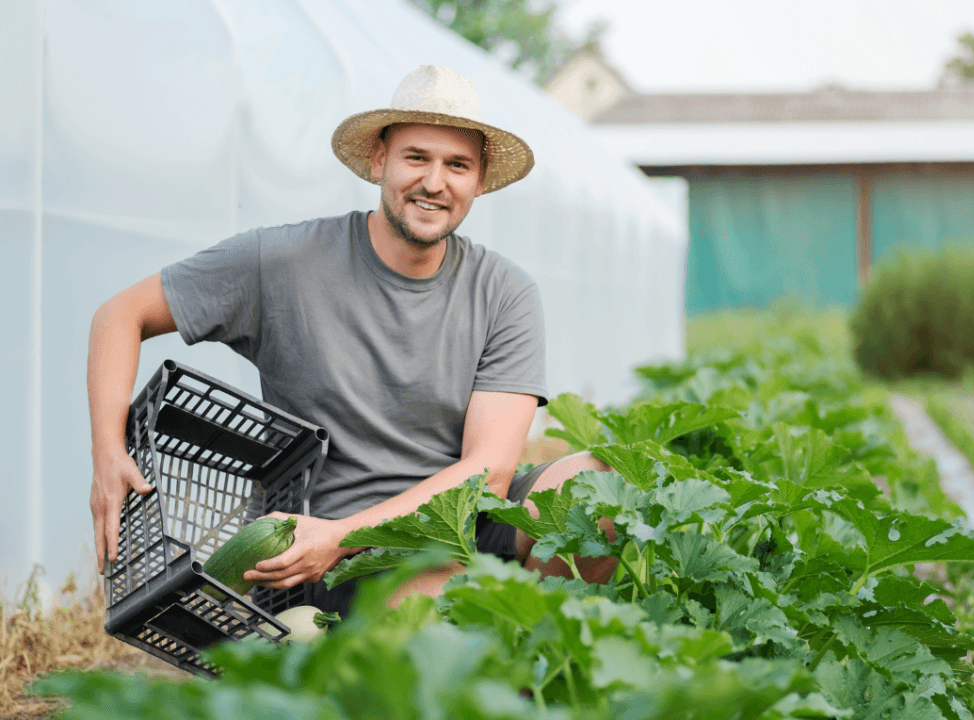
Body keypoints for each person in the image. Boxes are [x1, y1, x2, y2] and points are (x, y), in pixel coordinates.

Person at [87, 65, 616, 614]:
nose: (435, 183)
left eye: (457, 165)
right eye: (417, 157)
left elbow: (488, 472)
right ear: (378, 160)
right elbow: (121, 314)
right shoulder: (284, 263)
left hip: (464, 524)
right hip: (336, 550)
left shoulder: (505, 292)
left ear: (478, 181)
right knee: (442, 611)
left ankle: (546, 669)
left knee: (603, 490)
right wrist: (108, 452)